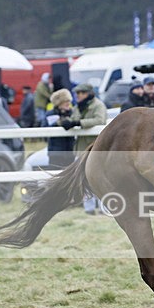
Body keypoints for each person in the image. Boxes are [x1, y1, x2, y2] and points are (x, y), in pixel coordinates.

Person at [68, 83, 108, 214]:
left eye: (82, 93)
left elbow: (100, 120)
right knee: (83, 180)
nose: (78, 95)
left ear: (89, 93)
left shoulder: (98, 105)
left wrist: (79, 123)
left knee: (99, 179)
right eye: (77, 93)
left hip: (95, 147)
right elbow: (74, 119)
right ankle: (89, 208)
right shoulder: (78, 107)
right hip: (81, 148)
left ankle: (103, 207)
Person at [45, 89, 79, 169]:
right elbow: (45, 127)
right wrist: (57, 123)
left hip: (70, 150)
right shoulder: (51, 114)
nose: (68, 103)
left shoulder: (72, 113)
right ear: (59, 103)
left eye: (69, 101)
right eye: (65, 101)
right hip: (55, 151)